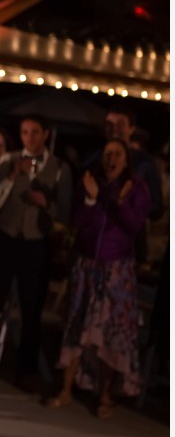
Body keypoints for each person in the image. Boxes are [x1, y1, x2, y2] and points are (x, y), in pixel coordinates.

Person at [46, 139, 150, 418]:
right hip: (87, 265)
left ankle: (105, 395)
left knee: (109, 332)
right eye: (107, 154)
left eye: (116, 154)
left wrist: (115, 201)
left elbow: (134, 226)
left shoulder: (136, 187)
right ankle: (66, 389)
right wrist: (91, 199)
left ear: (126, 160)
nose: (111, 158)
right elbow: (77, 222)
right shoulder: (90, 181)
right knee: (77, 324)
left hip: (117, 269)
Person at [0, 114, 72, 392]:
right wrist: (10, 175)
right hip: (5, 238)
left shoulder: (59, 168)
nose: (29, 137)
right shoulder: (9, 160)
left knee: (32, 309)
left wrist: (47, 205)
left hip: (35, 243)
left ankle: (26, 370)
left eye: (34, 132)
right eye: (24, 132)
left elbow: (65, 214)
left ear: (45, 134)